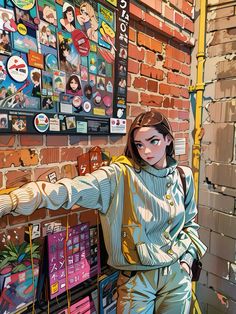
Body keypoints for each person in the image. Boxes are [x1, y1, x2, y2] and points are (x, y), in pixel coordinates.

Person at [0, 110, 207, 313]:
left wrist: (187, 263)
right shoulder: (120, 175)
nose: (146, 151)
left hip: (177, 276)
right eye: (139, 144)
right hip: (137, 280)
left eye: (153, 141)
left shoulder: (183, 176)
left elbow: (190, 225)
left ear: (168, 139)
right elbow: (69, 190)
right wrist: (12, 200)